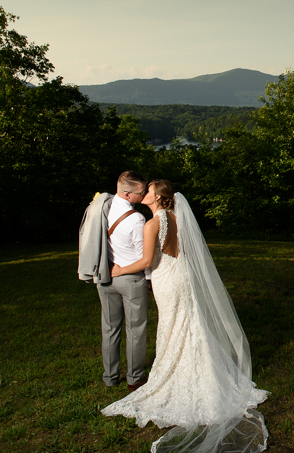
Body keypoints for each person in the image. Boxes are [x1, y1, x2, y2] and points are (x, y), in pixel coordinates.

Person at [101, 180, 268, 453]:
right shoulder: (177, 217)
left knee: (173, 325)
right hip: (183, 275)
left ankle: (178, 373)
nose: (145, 193)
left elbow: (145, 262)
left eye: (149, 189)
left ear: (157, 197)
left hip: (166, 279)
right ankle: (207, 371)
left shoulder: (152, 223)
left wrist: (118, 270)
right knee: (190, 324)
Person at [95, 171, 151, 390]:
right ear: (128, 194)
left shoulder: (102, 207)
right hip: (131, 280)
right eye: (141, 192)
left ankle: (110, 377)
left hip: (106, 275)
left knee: (109, 328)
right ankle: (135, 378)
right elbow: (143, 258)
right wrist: (149, 280)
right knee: (136, 329)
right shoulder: (137, 219)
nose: (144, 194)